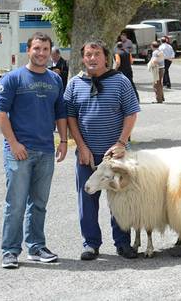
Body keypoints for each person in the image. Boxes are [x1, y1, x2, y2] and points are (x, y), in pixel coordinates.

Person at [0, 32, 68, 269]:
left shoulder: (55, 80)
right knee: (15, 204)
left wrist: (64, 141)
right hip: (19, 150)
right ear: (29, 50)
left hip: (45, 150)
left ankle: (36, 247)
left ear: (50, 52)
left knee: (39, 203)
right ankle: (10, 251)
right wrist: (13, 144)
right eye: (36, 48)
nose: (41, 53)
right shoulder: (13, 78)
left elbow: (60, 114)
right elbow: (1, 113)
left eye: (45, 49)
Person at [64, 39, 140, 260]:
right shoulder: (75, 83)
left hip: (116, 155)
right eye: (88, 54)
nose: (92, 58)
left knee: (120, 199)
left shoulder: (120, 81)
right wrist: (81, 146)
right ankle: (91, 243)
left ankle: (123, 243)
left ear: (106, 57)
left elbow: (131, 113)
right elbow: (70, 117)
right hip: (87, 153)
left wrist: (121, 142)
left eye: (96, 54)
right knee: (87, 197)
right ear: (82, 58)